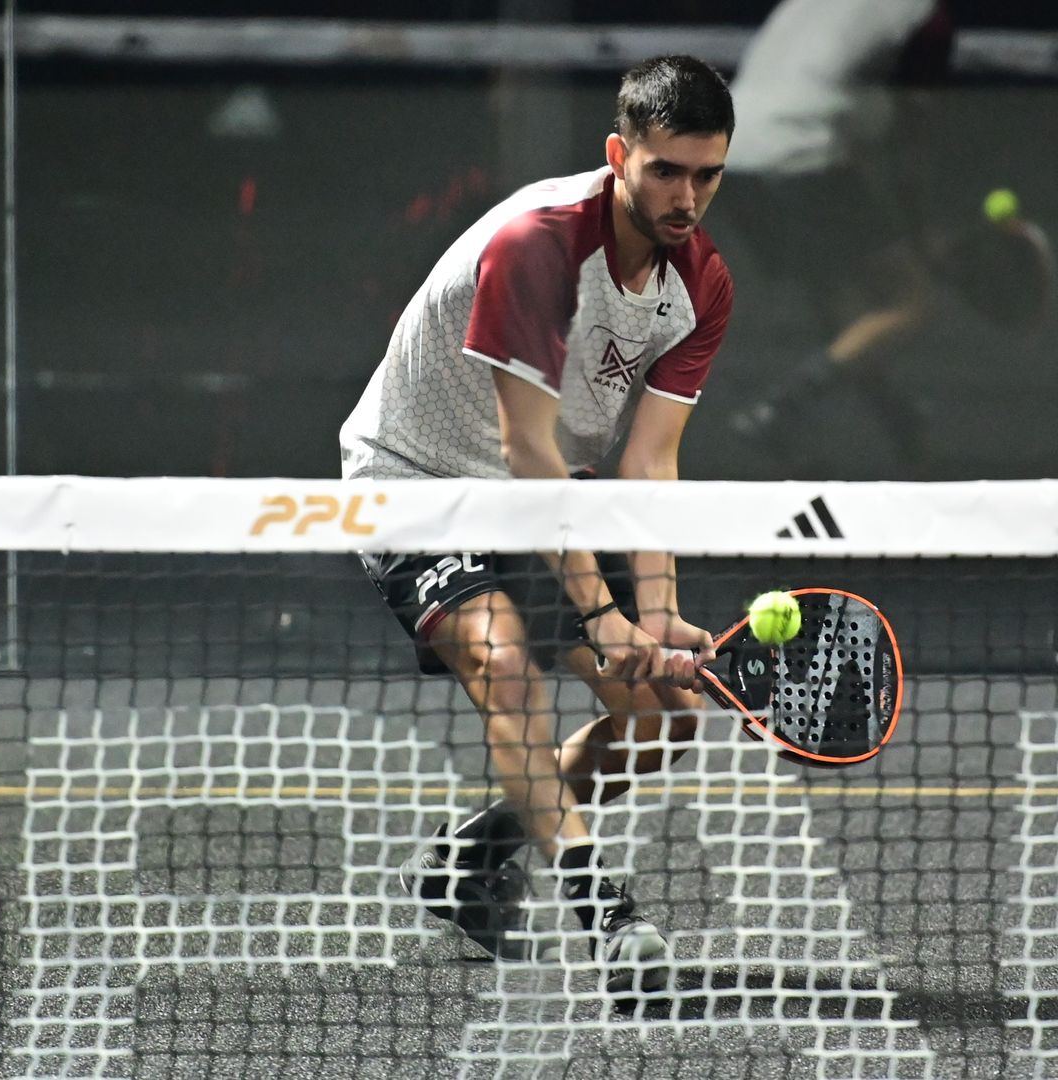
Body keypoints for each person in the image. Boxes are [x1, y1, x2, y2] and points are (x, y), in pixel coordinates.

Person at [338, 56, 735, 993]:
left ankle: (468, 858)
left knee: (661, 721)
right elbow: (528, 451)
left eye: (708, 174)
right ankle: (608, 918)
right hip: (419, 482)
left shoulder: (700, 286)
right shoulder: (539, 246)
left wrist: (662, 609)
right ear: (618, 154)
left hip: (540, 494)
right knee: (506, 665)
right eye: (666, 171)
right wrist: (602, 614)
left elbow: (648, 461)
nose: (687, 197)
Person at [719, 0, 1053, 475]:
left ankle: (897, 421)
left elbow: (847, 107)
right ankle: (780, 409)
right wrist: (920, 237)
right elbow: (908, 145)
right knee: (908, 300)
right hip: (796, 150)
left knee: (839, 300)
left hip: (733, 155)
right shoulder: (927, 20)